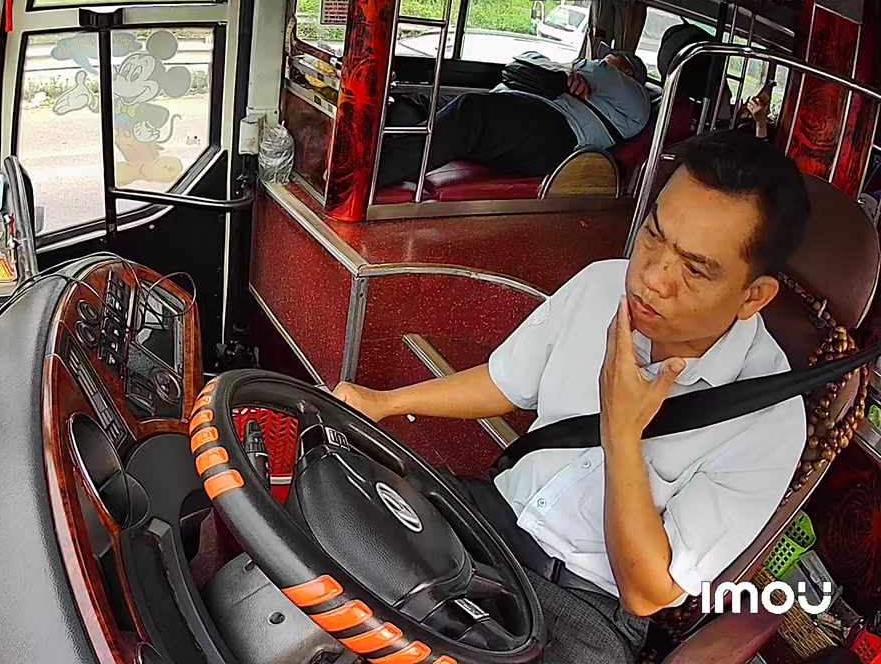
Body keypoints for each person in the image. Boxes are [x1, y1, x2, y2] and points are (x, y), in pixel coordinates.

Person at [335, 128, 811, 664]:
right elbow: (506, 381)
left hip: (584, 606)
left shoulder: (768, 424)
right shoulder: (602, 285)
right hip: (486, 519)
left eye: (694, 269)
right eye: (653, 236)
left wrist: (622, 432)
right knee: (327, 538)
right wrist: (385, 403)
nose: (652, 278)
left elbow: (648, 592)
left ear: (753, 296)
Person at [376, 51, 651, 187]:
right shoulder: (582, 82)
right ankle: (384, 144)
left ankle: (373, 172)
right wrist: (562, 73)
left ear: (628, 73)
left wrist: (573, 71)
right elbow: (529, 57)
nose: (600, 60)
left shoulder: (636, 100)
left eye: (610, 59)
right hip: (519, 111)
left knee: (472, 112)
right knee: (420, 101)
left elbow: (598, 70)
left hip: (557, 134)